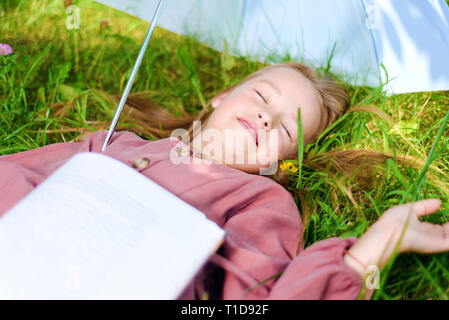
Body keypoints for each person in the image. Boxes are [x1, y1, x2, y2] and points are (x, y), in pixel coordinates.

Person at [0, 62, 447, 300]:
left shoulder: (262, 201)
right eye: (260, 95)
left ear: (286, 161)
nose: (265, 117)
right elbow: (14, 172)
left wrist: (371, 249)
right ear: (221, 96)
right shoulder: (116, 141)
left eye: (287, 129)